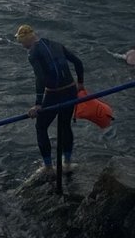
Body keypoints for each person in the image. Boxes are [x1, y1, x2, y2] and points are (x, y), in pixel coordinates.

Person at [16, 24, 85, 175]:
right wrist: (80, 83)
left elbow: (40, 79)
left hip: (55, 94)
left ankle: (48, 167)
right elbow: (78, 62)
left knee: (41, 127)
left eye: (21, 42)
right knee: (65, 125)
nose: (22, 46)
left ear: (27, 38)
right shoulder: (56, 44)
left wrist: (38, 104)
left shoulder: (33, 53)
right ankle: (67, 163)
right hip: (71, 90)